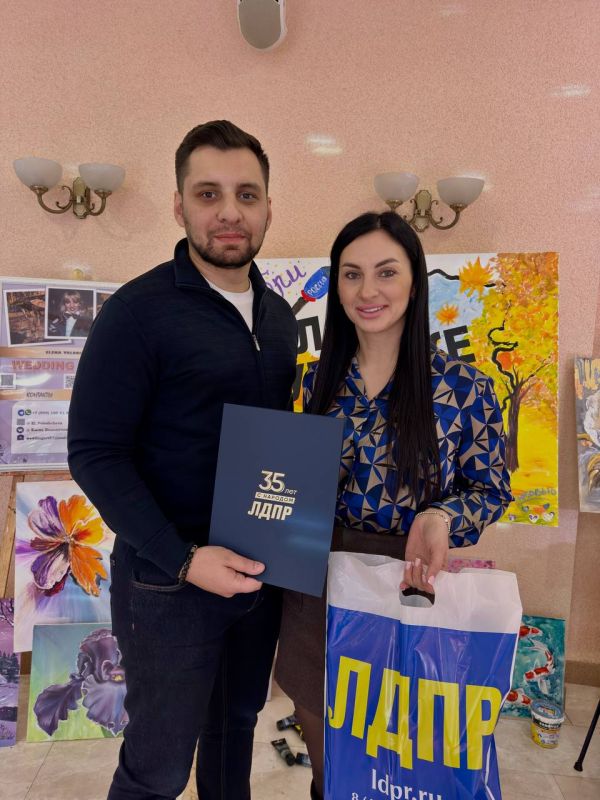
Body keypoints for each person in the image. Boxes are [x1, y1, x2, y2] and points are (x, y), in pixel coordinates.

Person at [67, 120, 298, 800]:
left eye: (247, 195)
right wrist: (184, 558)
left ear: (268, 208)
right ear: (179, 206)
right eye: (208, 194)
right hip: (167, 584)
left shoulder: (280, 318)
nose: (229, 212)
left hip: (258, 574)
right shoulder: (137, 313)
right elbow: (94, 452)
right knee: (158, 767)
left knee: (234, 735)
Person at [275, 211, 512, 800]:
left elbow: (490, 488)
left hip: (410, 586)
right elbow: (280, 484)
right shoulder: (309, 384)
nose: (367, 291)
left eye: (386, 272)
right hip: (318, 590)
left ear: (414, 281)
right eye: (351, 274)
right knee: (333, 764)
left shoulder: (463, 386)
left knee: (408, 762)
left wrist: (440, 516)